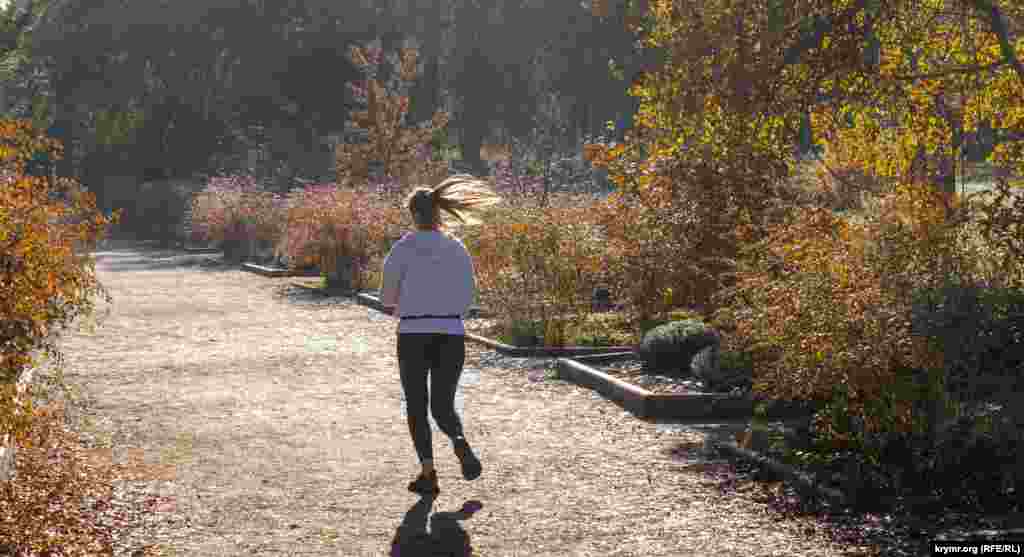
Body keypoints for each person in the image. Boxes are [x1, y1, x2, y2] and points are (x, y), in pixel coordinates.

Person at [379, 174, 502, 496]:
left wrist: (404, 303)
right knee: (443, 405)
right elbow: (469, 297)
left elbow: (386, 298)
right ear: (439, 212)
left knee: (416, 404)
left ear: (412, 214)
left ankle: (428, 472)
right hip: (450, 333)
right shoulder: (457, 248)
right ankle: (458, 440)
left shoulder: (403, 249)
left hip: (413, 333)